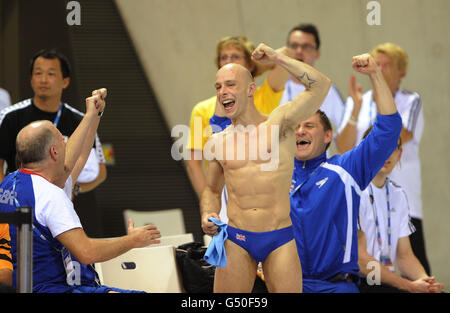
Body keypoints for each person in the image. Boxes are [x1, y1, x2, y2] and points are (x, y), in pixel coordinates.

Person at [0, 90, 162, 293]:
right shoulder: (50, 195)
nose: (67, 143)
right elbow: (86, 252)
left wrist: (92, 115)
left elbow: (77, 159)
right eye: (62, 139)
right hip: (57, 288)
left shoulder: (10, 183)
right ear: (54, 152)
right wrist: (133, 240)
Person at [201, 43, 331, 292]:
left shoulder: (280, 124)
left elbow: (321, 84)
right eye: (218, 86)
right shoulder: (217, 141)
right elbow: (211, 190)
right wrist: (209, 213)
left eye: (230, 84)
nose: (222, 92)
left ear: (250, 89)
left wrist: (278, 58)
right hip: (237, 237)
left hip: (279, 237)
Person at [289, 53, 403, 293]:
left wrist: (375, 74)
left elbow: (388, 129)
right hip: (288, 286)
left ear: (328, 136)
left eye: (309, 126)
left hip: (336, 287)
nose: (300, 131)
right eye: (296, 127)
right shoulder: (277, 175)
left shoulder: (345, 169)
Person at [336, 43, 430, 275]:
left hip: (402, 198)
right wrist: (356, 110)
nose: (381, 69)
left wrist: (381, 108)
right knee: (366, 264)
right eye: (377, 64)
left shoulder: (410, 100)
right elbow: (344, 147)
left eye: (387, 65)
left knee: (414, 261)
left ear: (401, 71)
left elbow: (399, 136)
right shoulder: (359, 99)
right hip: (365, 197)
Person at [186, 36, 287, 218]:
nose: (229, 61)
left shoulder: (264, 93)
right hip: (226, 194)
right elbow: (194, 163)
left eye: (235, 57)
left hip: (267, 192)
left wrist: (254, 67)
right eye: (224, 58)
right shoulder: (202, 109)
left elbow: (287, 56)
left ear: (250, 63)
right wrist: (209, 207)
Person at [0, 49, 107, 197]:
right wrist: (6, 198)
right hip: (18, 203)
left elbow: (98, 169)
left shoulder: (80, 121)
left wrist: (71, 188)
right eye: (38, 73)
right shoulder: (9, 116)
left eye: (51, 74)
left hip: (58, 204)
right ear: (31, 79)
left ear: (65, 81)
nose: (43, 79)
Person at [357, 127, 444, 293]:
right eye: (379, 145)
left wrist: (425, 282)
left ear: (399, 154)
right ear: (365, 149)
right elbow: (360, 260)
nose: (386, 153)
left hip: (386, 280)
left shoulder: (398, 194)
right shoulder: (353, 191)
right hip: (362, 280)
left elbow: (404, 256)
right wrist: (408, 285)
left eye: (392, 148)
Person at [279, 24, 345, 155]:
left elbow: (344, 135)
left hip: (319, 170)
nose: (299, 51)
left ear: (317, 53)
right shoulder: (277, 89)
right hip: (284, 170)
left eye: (306, 47)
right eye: (294, 45)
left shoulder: (328, 90)